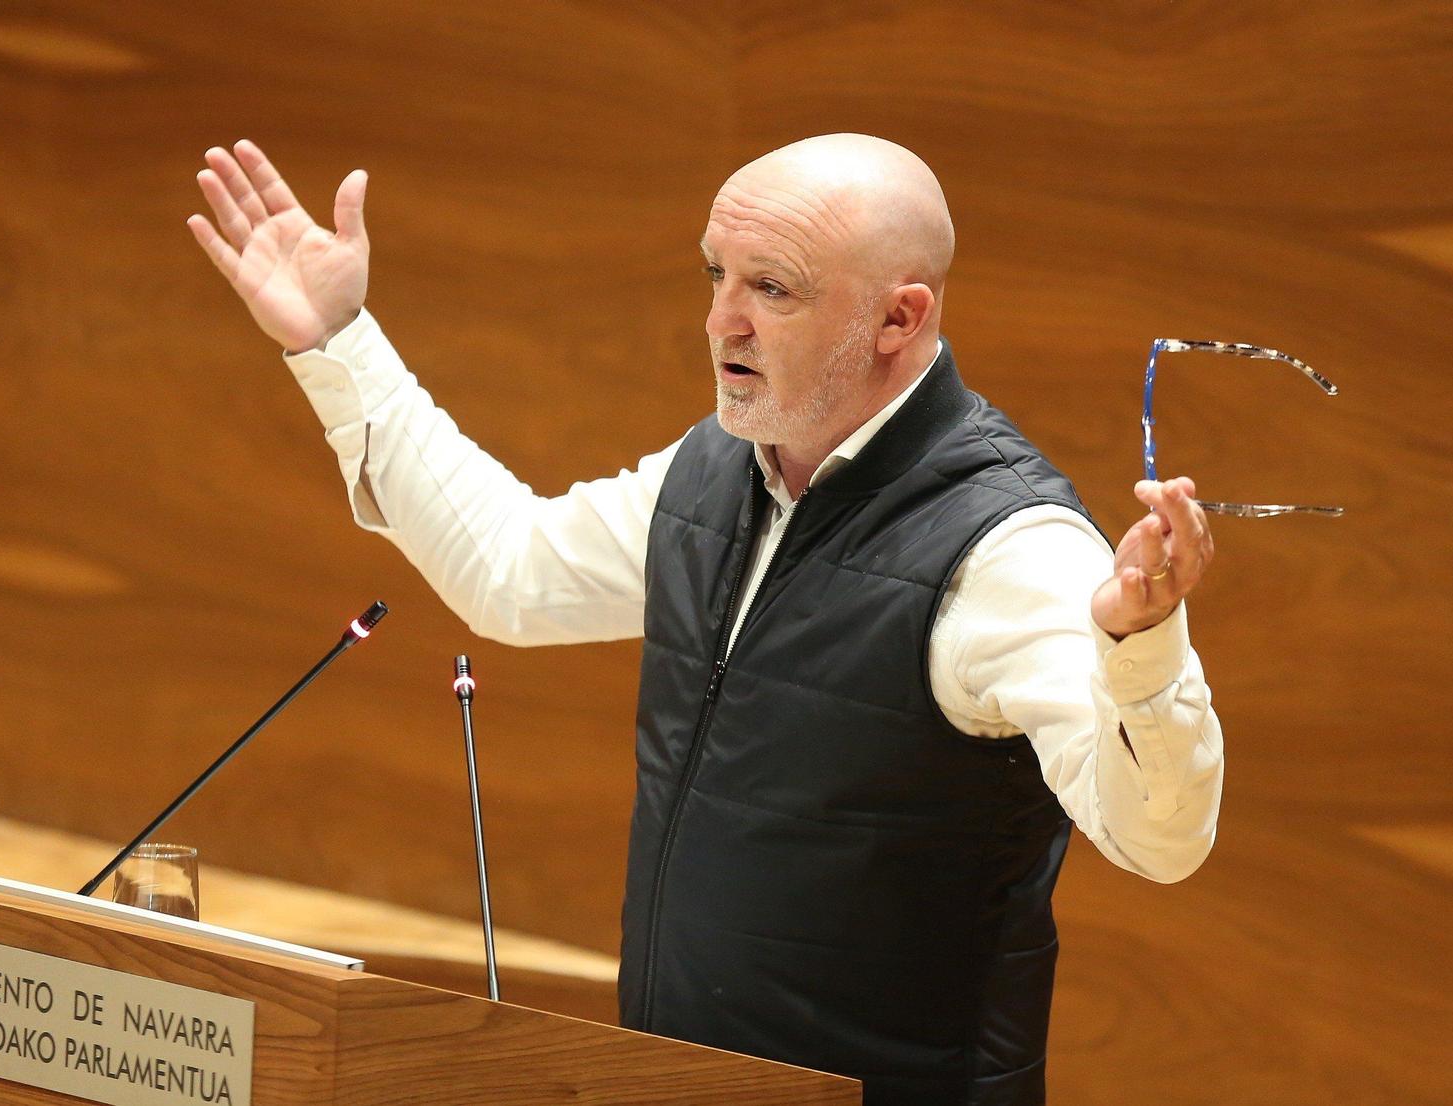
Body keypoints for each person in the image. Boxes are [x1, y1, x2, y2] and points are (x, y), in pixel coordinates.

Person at [188, 133, 1223, 1106]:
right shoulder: (714, 471)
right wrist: (338, 342)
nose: (719, 319)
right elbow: (510, 567)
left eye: (770, 288)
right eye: (713, 275)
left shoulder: (1007, 548)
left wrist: (1139, 648)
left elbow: (1158, 839)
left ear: (897, 320)